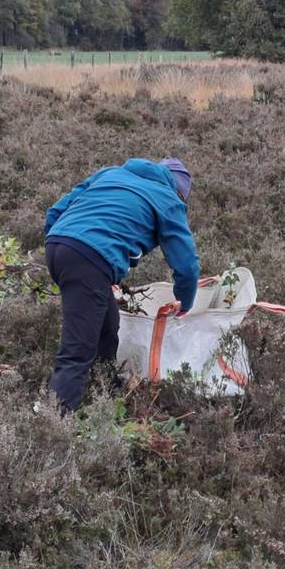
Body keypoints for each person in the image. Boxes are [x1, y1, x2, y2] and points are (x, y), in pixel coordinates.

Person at [44, 157, 200, 411]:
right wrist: (186, 301)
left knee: (108, 324)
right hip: (89, 259)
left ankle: (104, 390)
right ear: (181, 191)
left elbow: (55, 212)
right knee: (77, 352)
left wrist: (66, 252)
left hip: (58, 244)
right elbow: (186, 265)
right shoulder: (168, 199)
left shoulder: (110, 173)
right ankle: (52, 427)